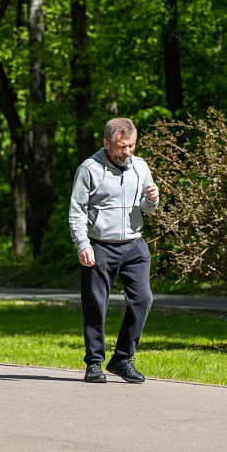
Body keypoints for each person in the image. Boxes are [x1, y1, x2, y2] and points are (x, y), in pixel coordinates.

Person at [69, 117, 159, 384]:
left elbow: (147, 208)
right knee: (95, 305)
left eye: (131, 145)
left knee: (143, 299)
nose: (127, 152)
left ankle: (122, 359)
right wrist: (83, 244)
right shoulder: (89, 169)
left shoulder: (140, 167)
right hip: (99, 246)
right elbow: (77, 210)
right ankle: (94, 363)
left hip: (134, 244)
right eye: (121, 146)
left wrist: (152, 199)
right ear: (107, 143)